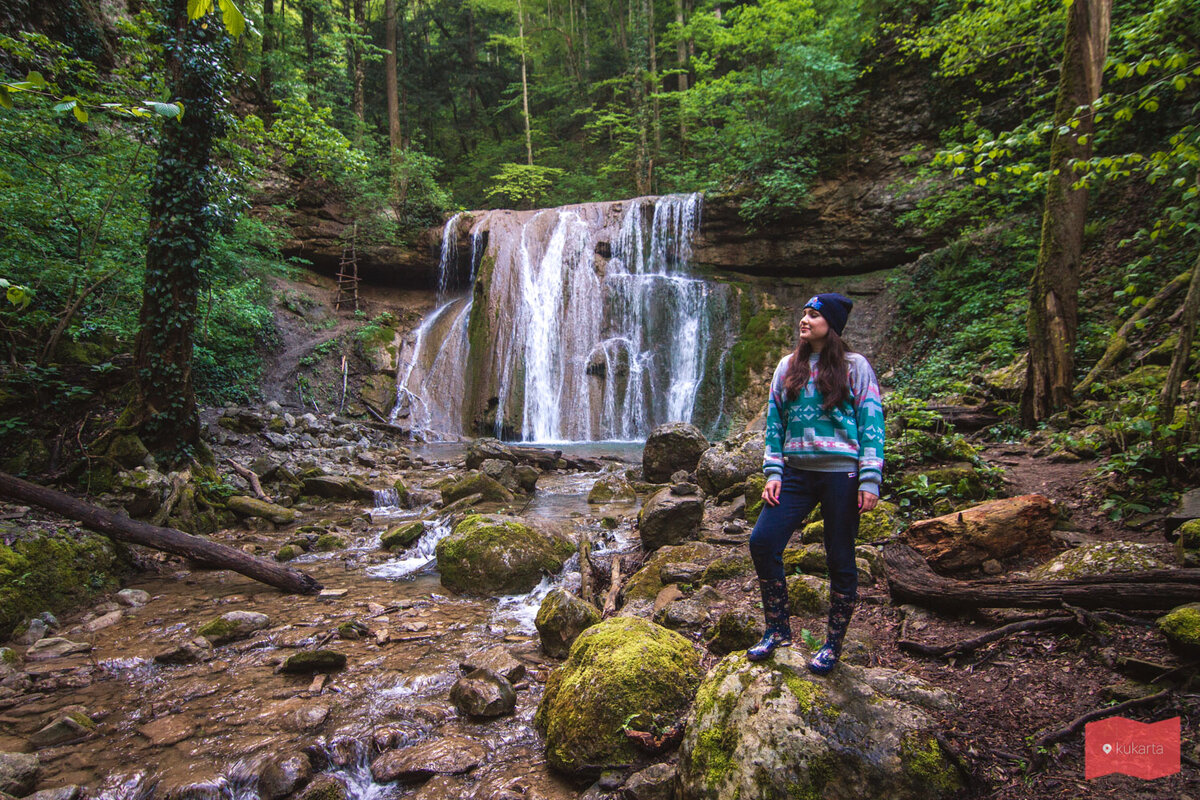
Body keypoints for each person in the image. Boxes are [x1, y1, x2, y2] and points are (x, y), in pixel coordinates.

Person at [746, 292, 884, 674]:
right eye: (804, 313)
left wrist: (870, 479)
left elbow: (872, 425)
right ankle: (777, 629)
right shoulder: (787, 367)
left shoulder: (855, 367)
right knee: (763, 541)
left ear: (832, 325)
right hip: (796, 473)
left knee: (840, 557)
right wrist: (773, 472)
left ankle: (832, 645)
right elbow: (774, 425)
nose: (804, 320)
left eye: (814, 314)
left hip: (843, 474)